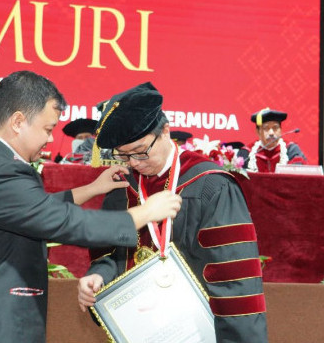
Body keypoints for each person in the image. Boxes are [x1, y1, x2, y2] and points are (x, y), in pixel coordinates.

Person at [0, 71, 181, 343]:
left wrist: (91, 189)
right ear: (17, 121)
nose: (51, 139)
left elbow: (30, 213)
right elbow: (62, 222)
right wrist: (145, 213)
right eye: (48, 129)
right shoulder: (0, 171)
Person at [78, 82, 268, 342]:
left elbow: (235, 284)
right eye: (123, 155)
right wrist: (98, 277)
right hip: (141, 329)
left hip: (200, 333)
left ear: (166, 131)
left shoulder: (211, 186)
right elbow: (112, 255)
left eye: (140, 151)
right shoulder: (122, 188)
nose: (134, 163)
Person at [237, 108, 306, 173]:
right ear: (258, 132)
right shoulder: (246, 153)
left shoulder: (291, 150)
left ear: (281, 130)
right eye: (266, 128)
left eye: (275, 128)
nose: (271, 133)